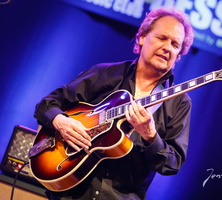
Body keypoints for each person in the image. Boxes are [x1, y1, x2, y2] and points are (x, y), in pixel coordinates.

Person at [34, 7, 194, 200]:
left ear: (178, 56)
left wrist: (150, 136)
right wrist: (61, 122)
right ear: (142, 37)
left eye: (175, 44)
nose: (168, 47)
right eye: (162, 38)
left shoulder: (178, 102)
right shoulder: (104, 74)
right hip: (71, 193)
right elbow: (47, 104)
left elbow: (172, 163)